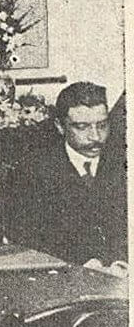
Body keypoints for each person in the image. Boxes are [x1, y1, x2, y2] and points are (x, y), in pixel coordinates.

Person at [7, 82, 127, 267]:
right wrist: (87, 263)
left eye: (102, 125)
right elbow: (26, 239)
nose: (95, 137)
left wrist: (122, 263)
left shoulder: (124, 164)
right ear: (60, 126)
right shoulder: (32, 173)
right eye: (82, 127)